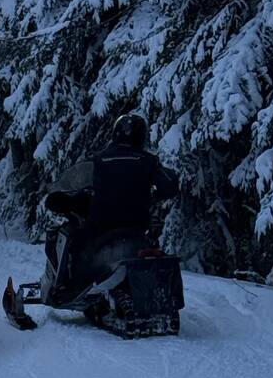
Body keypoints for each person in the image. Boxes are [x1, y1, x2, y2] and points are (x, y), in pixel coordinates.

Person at [43, 115, 177, 296]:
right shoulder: (148, 160)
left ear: (116, 133)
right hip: (136, 227)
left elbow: (78, 179)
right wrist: (155, 195)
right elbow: (169, 184)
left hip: (102, 225)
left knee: (77, 244)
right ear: (141, 135)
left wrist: (66, 198)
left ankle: (69, 289)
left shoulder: (100, 159)